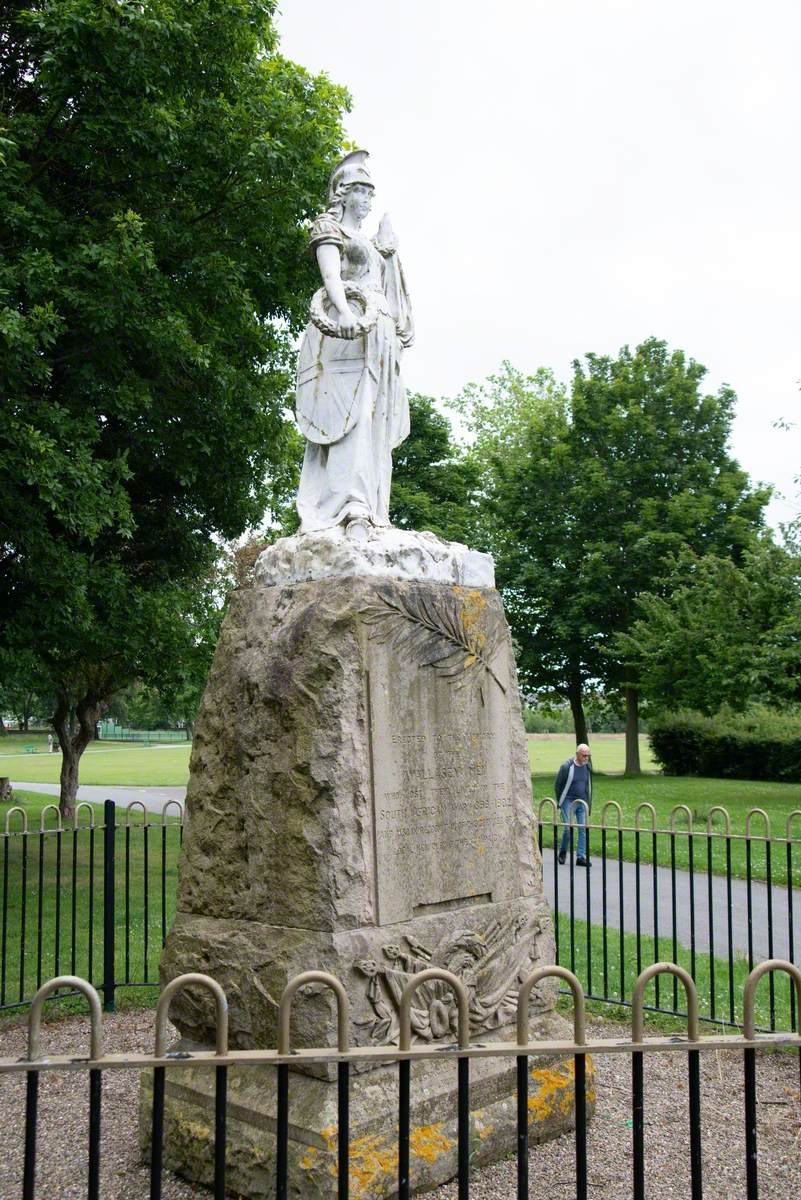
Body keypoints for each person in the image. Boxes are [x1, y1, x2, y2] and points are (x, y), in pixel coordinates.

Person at [295, 149, 414, 536]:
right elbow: (331, 277)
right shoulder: (331, 230)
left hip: (378, 338)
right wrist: (344, 315)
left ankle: (372, 507)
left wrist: (388, 254)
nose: (368, 200)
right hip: (345, 338)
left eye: (370, 193)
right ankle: (350, 506)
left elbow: (383, 286)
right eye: (362, 191)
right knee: (353, 416)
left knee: (375, 422)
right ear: (343, 193)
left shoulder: (370, 240)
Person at [555, 744, 592, 866]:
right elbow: (558, 785)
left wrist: (588, 803)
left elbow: (588, 786)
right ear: (577, 754)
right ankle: (563, 851)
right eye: (584, 755)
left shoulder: (587, 766)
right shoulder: (567, 767)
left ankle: (580, 857)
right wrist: (560, 802)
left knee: (583, 829)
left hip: (582, 803)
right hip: (568, 801)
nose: (586, 758)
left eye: (588, 755)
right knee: (568, 829)